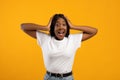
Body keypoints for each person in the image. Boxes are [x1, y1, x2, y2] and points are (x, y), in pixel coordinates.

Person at [21, 14, 98, 80]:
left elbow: (94, 31)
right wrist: (45, 27)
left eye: (64, 24)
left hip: (67, 78)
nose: (61, 27)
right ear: (52, 28)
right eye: (57, 25)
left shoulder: (72, 39)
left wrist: (73, 26)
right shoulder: (45, 39)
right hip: (49, 77)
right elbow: (23, 27)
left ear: (67, 27)